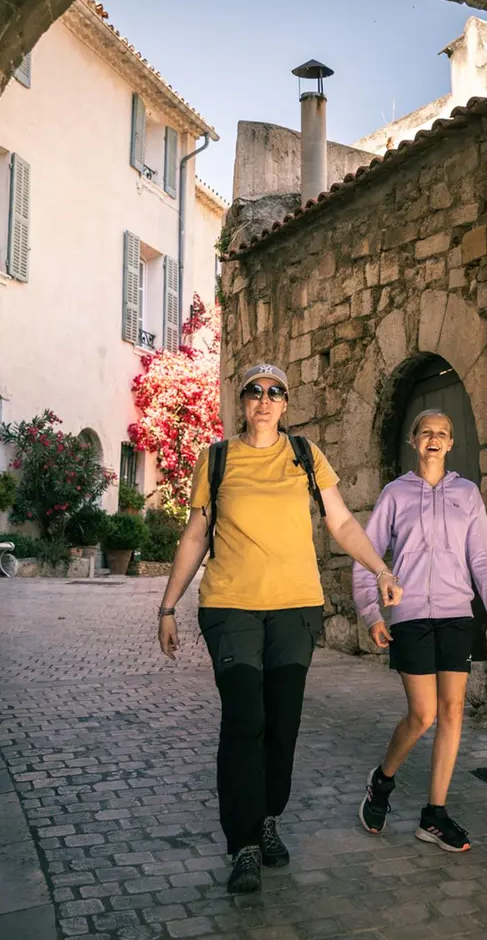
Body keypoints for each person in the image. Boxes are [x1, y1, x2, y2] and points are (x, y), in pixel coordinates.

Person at [156, 362, 403, 894]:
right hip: (231, 608)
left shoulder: (305, 456)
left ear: (286, 403)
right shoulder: (217, 459)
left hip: (295, 609)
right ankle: (242, 842)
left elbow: (340, 522)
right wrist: (168, 605)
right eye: (253, 392)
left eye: (275, 392)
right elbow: (196, 536)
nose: (264, 400)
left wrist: (380, 568)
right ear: (240, 401)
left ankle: (268, 819)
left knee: (283, 724)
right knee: (245, 719)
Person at [353, 408, 487, 853]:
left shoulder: (467, 494)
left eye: (443, 433)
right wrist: (372, 613)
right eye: (427, 432)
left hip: (456, 613)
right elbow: (366, 555)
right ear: (414, 440)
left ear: (450, 443)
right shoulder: (394, 494)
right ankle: (382, 781)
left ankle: (434, 815)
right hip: (410, 617)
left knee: (454, 711)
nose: (435, 439)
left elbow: (482, 557)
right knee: (422, 715)